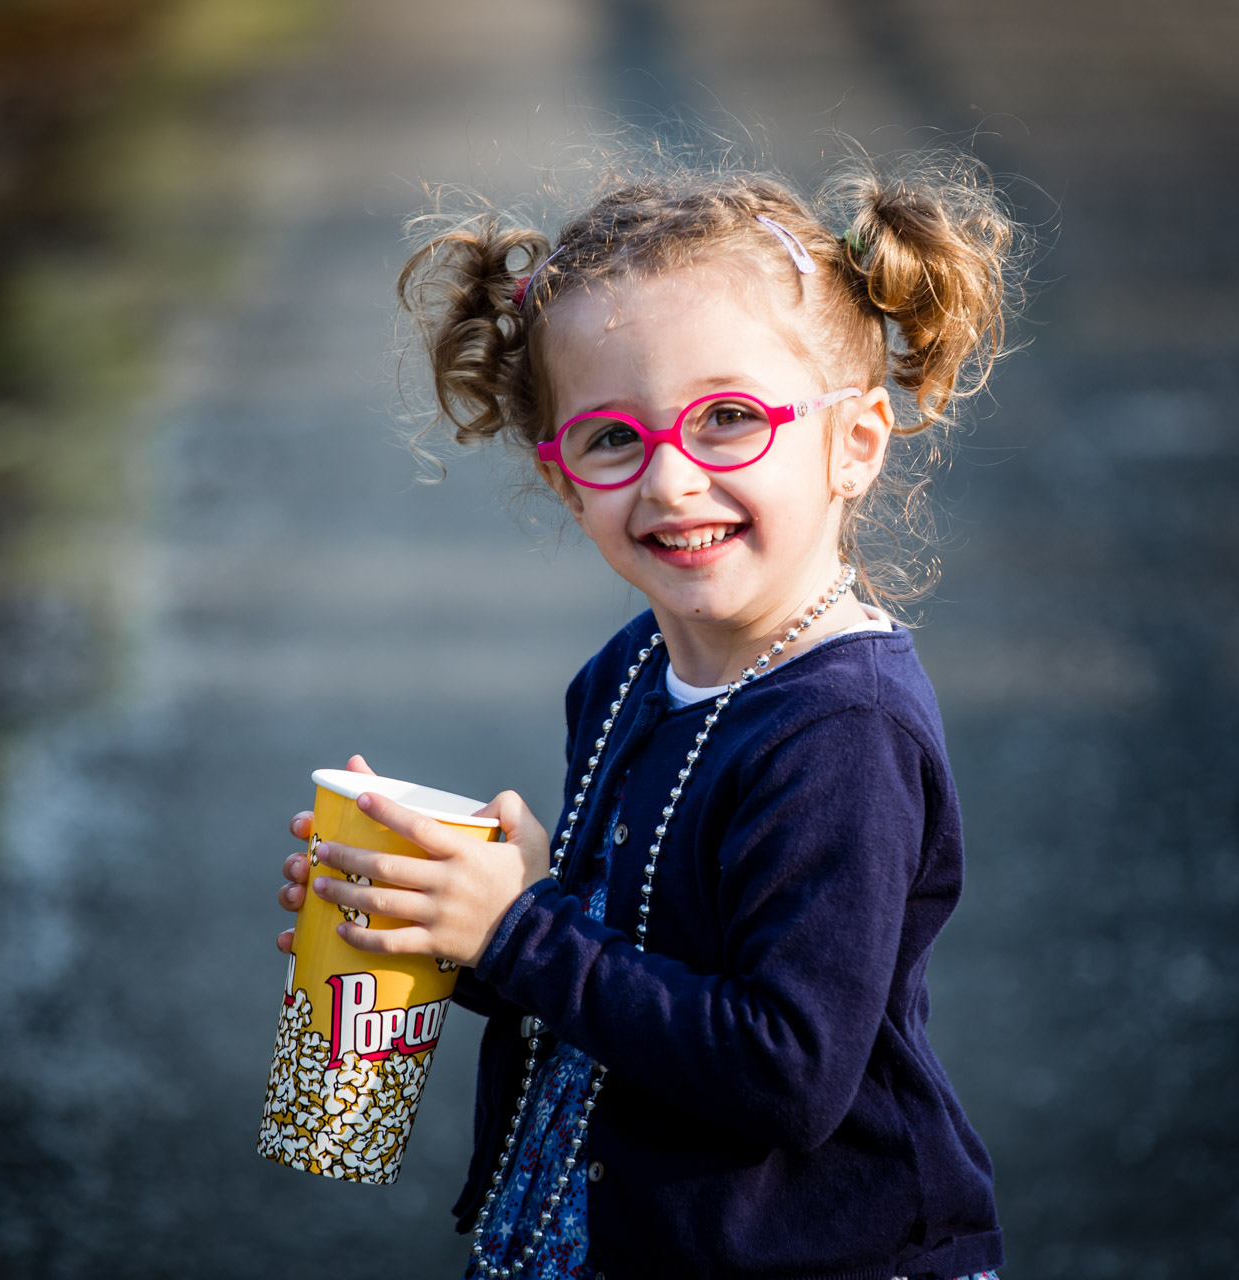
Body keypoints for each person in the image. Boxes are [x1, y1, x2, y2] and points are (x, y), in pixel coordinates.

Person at [274, 149, 1020, 1280]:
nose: (670, 480)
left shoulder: (841, 730)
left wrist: (522, 928)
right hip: (616, 1233)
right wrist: (450, 924)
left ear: (853, 443)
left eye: (727, 419)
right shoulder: (628, 669)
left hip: (810, 1250)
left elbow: (787, 1069)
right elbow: (635, 966)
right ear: (566, 479)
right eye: (615, 437)